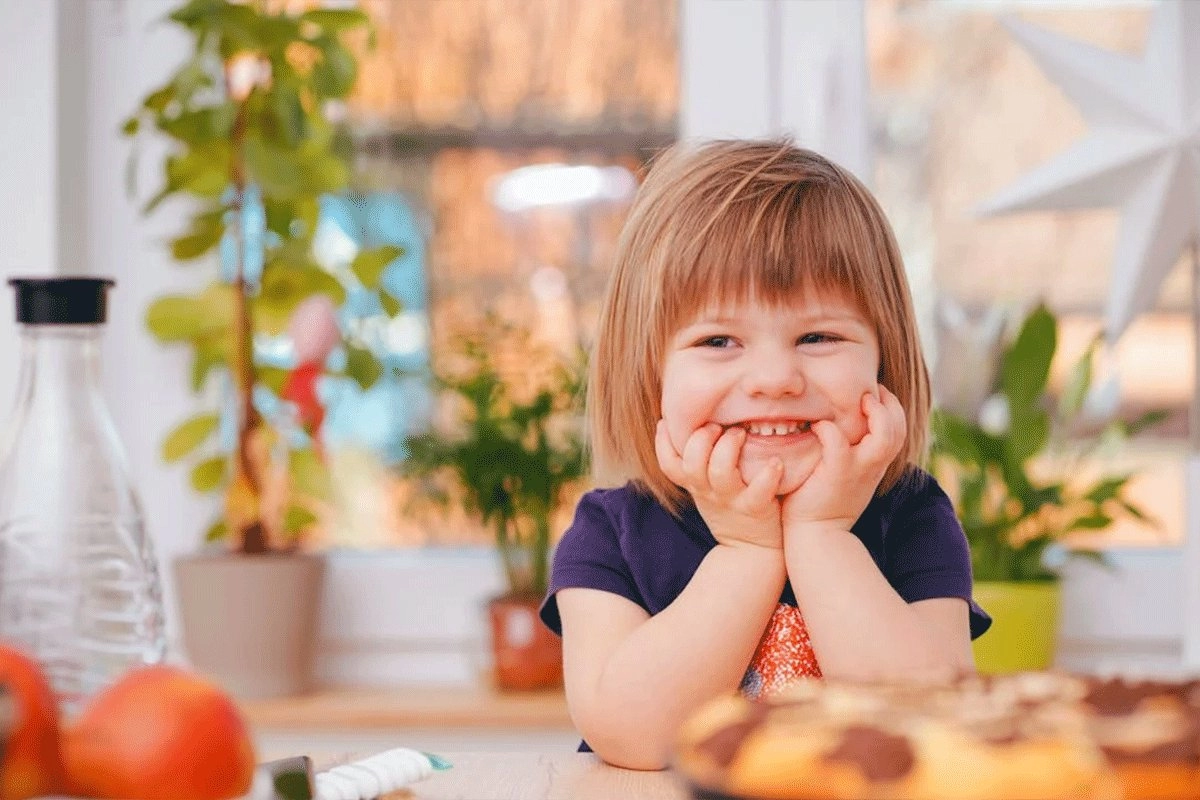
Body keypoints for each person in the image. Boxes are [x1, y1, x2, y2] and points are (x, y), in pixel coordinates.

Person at [538, 139, 991, 771]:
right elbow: (632, 737)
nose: (774, 377)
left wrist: (823, 535)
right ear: (650, 375)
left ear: (885, 363)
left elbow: (929, 728)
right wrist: (747, 551)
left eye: (818, 336)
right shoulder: (610, 532)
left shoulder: (913, 515)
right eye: (718, 339)